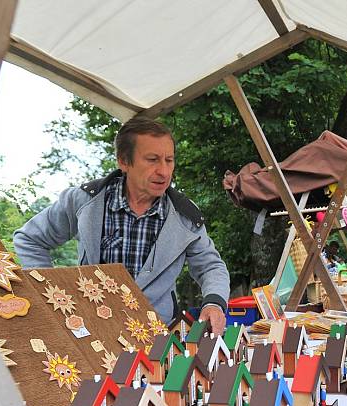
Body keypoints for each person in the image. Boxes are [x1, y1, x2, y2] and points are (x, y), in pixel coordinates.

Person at [13, 117, 230, 333]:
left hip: (157, 334)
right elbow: (30, 239)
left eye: (169, 160)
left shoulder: (186, 216)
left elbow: (211, 266)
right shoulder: (83, 201)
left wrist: (214, 303)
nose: (164, 171)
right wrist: (47, 291)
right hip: (93, 331)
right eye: (152, 159)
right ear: (123, 162)